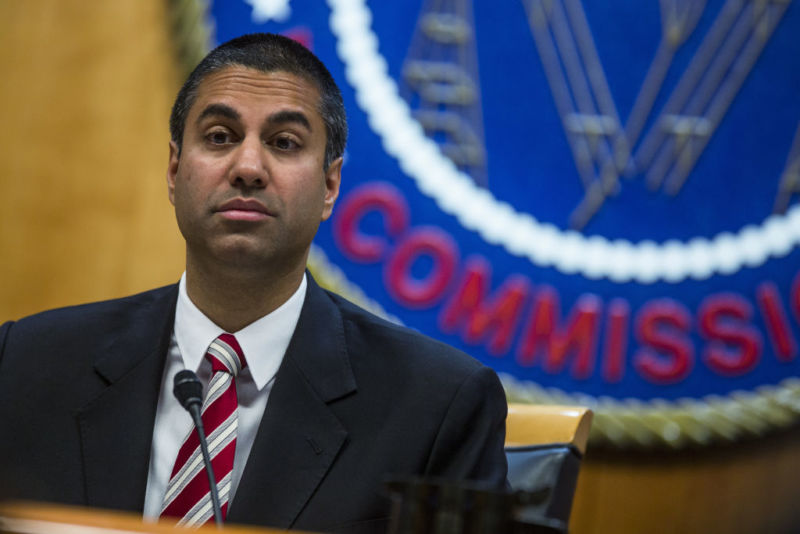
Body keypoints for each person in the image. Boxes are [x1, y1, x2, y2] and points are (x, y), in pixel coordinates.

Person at [0, 33, 507, 533]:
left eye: (284, 143)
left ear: (330, 186)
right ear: (174, 170)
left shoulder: (438, 405)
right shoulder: (26, 364)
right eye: (220, 136)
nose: (247, 168)